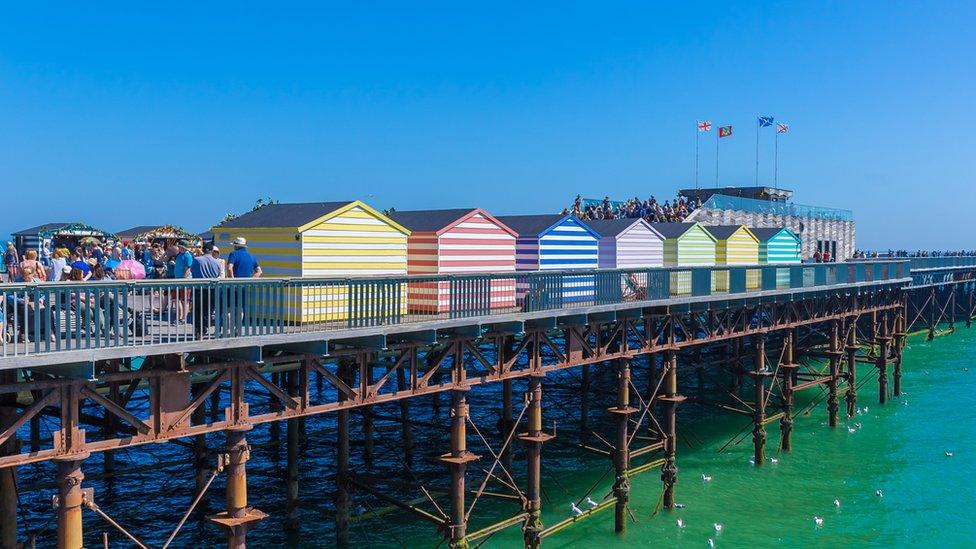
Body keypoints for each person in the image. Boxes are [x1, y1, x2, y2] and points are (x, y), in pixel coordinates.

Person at [191, 242, 223, 337]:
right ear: (211, 251)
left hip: (199, 288)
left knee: (197, 310)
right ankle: (204, 328)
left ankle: (199, 331)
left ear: (204, 249)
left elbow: (194, 273)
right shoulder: (217, 261)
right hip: (212, 289)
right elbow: (218, 274)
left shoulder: (197, 260)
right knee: (208, 310)